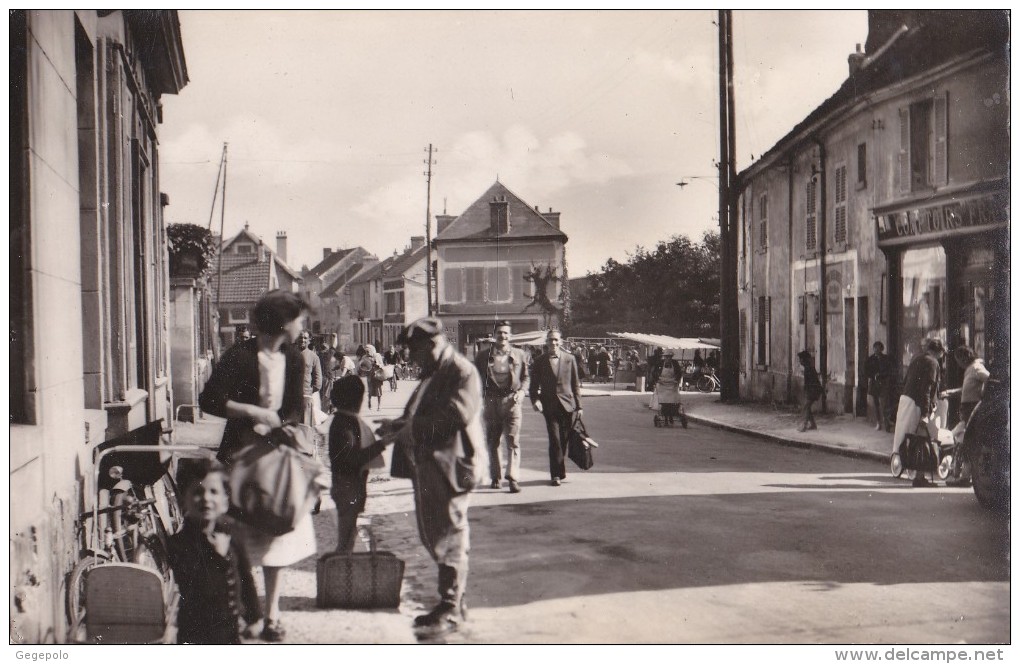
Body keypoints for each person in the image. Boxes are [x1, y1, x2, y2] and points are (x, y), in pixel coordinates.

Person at [198, 289, 317, 642]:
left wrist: (282, 424)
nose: (302, 325)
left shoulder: (295, 359)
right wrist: (250, 412)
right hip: (238, 458)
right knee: (238, 540)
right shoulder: (240, 356)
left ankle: (271, 615)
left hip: (276, 458)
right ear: (282, 322)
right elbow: (210, 399)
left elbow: (296, 406)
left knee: (276, 533)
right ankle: (243, 611)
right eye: (298, 319)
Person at [376, 318, 487, 636]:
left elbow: (455, 415)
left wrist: (409, 430)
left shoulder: (461, 371)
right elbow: (417, 413)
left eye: (416, 352)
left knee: (449, 534)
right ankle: (453, 602)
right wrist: (395, 426)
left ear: (433, 345)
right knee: (433, 532)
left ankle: (450, 606)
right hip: (430, 463)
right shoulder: (433, 371)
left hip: (452, 464)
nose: (411, 359)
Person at [167, 457, 262, 644]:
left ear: (225, 499)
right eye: (197, 492)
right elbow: (195, 584)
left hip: (231, 634)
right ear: (184, 499)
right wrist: (217, 556)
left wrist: (254, 617)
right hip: (196, 635)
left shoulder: (232, 535)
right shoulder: (180, 543)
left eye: (214, 492)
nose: (206, 499)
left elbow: (245, 576)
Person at [328, 375, 393, 552]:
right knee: (346, 540)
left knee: (348, 535)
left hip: (351, 486)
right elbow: (353, 458)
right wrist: (381, 444)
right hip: (347, 487)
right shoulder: (344, 425)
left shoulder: (346, 420)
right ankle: (341, 571)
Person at [474, 320, 530, 493]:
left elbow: (526, 377)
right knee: (493, 441)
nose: (503, 336)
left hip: (512, 401)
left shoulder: (520, 354)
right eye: (499, 333)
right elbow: (475, 380)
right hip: (491, 403)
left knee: (513, 441)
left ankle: (513, 478)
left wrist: (522, 392)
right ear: (494, 335)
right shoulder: (483, 356)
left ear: (510, 335)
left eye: (506, 333)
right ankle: (496, 477)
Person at [529, 329, 583, 486]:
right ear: (546, 342)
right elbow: (533, 387)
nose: (553, 343)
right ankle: (555, 475)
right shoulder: (539, 361)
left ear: (561, 342)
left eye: (556, 340)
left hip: (567, 406)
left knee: (564, 440)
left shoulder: (570, 359)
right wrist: (535, 400)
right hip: (549, 407)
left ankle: (560, 470)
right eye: (550, 340)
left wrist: (579, 406)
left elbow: (575, 384)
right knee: (555, 440)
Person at [891, 338, 946, 488]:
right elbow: (926, 389)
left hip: (907, 400)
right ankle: (919, 477)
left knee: (908, 437)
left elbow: (907, 381)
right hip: (917, 403)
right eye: (942, 353)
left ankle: (913, 471)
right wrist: (925, 413)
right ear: (938, 351)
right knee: (921, 440)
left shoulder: (917, 359)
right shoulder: (932, 363)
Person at [946, 345, 990, 487]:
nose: (958, 363)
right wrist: (952, 392)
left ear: (965, 357)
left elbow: (989, 380)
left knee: (967, 441)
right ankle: (965, 475)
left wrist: (983, 395)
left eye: (958, 359)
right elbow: (968, 388)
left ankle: (965, 477)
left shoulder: (976, 367)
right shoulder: (969, 369)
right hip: (967, 409)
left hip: (972, 408)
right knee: (965, 441)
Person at [865, 341, 894, 432]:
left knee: (884, 404)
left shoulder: (886, 359)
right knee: (876, 404)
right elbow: (866, 371)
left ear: (882, 349)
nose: (876, 350)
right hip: (874, 384)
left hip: (883, 384)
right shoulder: (870, 359)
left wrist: (881, 375)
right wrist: (873, 375)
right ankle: (878, 423)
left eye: (878, 348)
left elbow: (890, 370)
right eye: (875, 348)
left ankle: (887, 423)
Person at [297, 331, 322, 426]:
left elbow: (318, 381)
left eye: (305, 338)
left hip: (305, 397)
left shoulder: (313, 357)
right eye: (300, 337)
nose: (302, 340)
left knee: (305, 427)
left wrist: (308, 392)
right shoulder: (290, 354)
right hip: (291, 397)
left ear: (309, 340)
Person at [797, 350, 822, 432]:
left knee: (806, 407)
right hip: (813, 390)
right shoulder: (809, 368)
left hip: (813, 391)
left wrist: (808, 393)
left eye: (800, 359)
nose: (800, 361)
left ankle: (803, 426)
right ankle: (813, 424)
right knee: (807, 407)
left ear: (804, 360)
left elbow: (811, 382)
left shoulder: (808, 369)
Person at [360, 343, 386, 410]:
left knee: (378, 391)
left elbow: (382, 364)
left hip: (378, 375)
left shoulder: (377, 355)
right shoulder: (364, 357)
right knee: (370, 390)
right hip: (370, 376)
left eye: (368, 351)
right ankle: (369, 402)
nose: (367, 353)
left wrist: (378, 364)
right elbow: (361, 366)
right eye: (366, 351)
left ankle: (379, 405)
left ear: (372, 350)